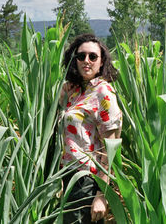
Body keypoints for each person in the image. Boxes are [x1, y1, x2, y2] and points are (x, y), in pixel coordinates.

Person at [59, 34, 122, 223]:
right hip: (65, 176)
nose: (87, 61)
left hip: (86, 179)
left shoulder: (103, 92)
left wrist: (102, 195)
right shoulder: (74, 91)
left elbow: (110, 147)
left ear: (101, 62)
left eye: (93, 56)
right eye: (81, 56)